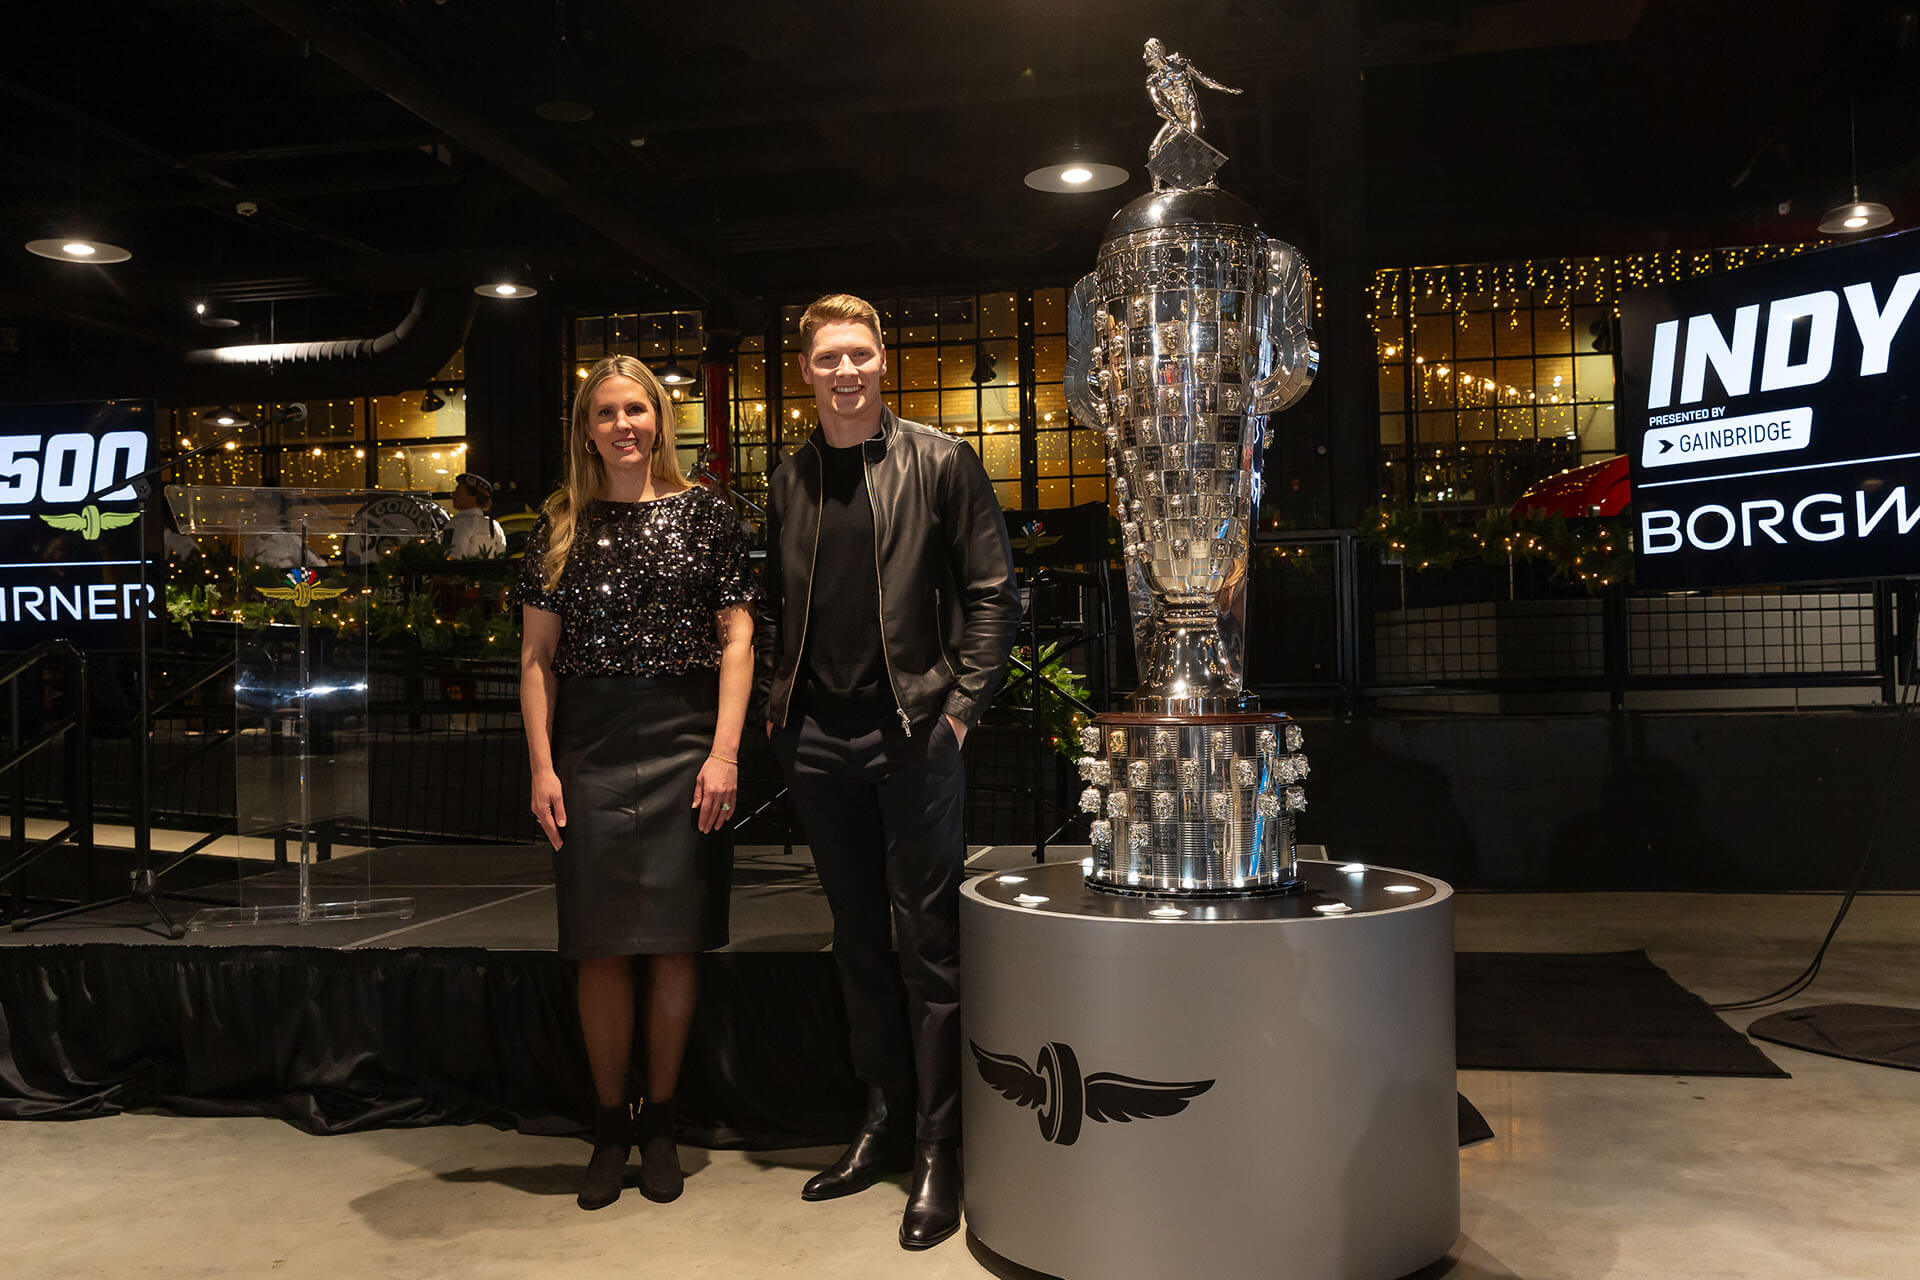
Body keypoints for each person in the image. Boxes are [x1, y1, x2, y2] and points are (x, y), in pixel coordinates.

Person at [755, 293, 1020, 1250]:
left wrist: (956, 716)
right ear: (806, 371)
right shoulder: (788, 479)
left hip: (915, 737)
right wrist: (777, 716)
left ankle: (940, 1147)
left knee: (929, 945)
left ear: (883, 361)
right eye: (829, 356)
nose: (847, 370)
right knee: (858, 942)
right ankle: (880, 1120)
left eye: (861, 353)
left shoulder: (941, 462)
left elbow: (994, 593)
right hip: (817, 742)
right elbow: (775, 608)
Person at [518, 354, 755, 1211]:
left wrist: (724, 753)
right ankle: (608, 1127)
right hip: (589, 747)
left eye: (639, 409)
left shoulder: (709, 516)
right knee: (600, 944)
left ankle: (660, 1121)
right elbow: (536, 659)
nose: (625, 424)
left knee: (673, 941)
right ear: (587, 427)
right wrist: (543, 766)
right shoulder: (559, 526)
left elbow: (738, 641)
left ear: (660, 420)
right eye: (608, 412)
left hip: (688, 738)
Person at [446, 472, 508, 558]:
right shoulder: (495, 526)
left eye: (458, 492)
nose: (452, 494)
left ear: (471, 499)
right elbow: (501, 556)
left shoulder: (458, 523)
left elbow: (452, 558)